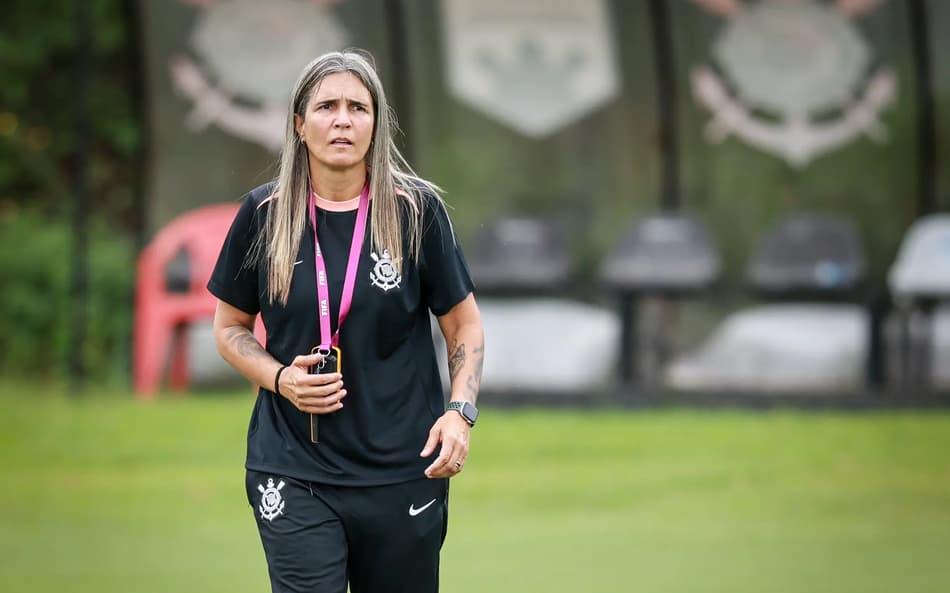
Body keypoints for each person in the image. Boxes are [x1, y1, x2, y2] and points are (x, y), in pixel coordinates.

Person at [208, 48, 484, 593]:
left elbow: (464, 326)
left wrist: (459, 413)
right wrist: (282, 379)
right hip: (293, 467)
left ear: (376, 125)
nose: (342, 119)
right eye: (327, 106)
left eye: (358, 107)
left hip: (405, 467)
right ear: (299, 124)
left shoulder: (416, 211)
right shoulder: (263, 215)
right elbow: (230, 327)